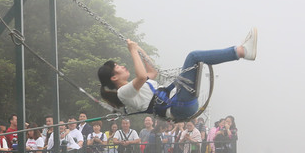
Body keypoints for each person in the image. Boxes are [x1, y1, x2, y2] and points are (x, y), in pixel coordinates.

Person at [98, 30, 257, 120]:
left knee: (194, 58)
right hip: (178, 107)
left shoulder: (133, 87)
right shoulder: (123, 93)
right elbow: (140, 77)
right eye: (117, 67)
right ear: (114, 77)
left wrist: (138, 49)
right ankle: (241, 51)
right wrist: (132, 51)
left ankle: (241, 51)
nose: (122, 66)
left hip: (180, 103)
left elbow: (152, 71)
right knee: (193, 56)